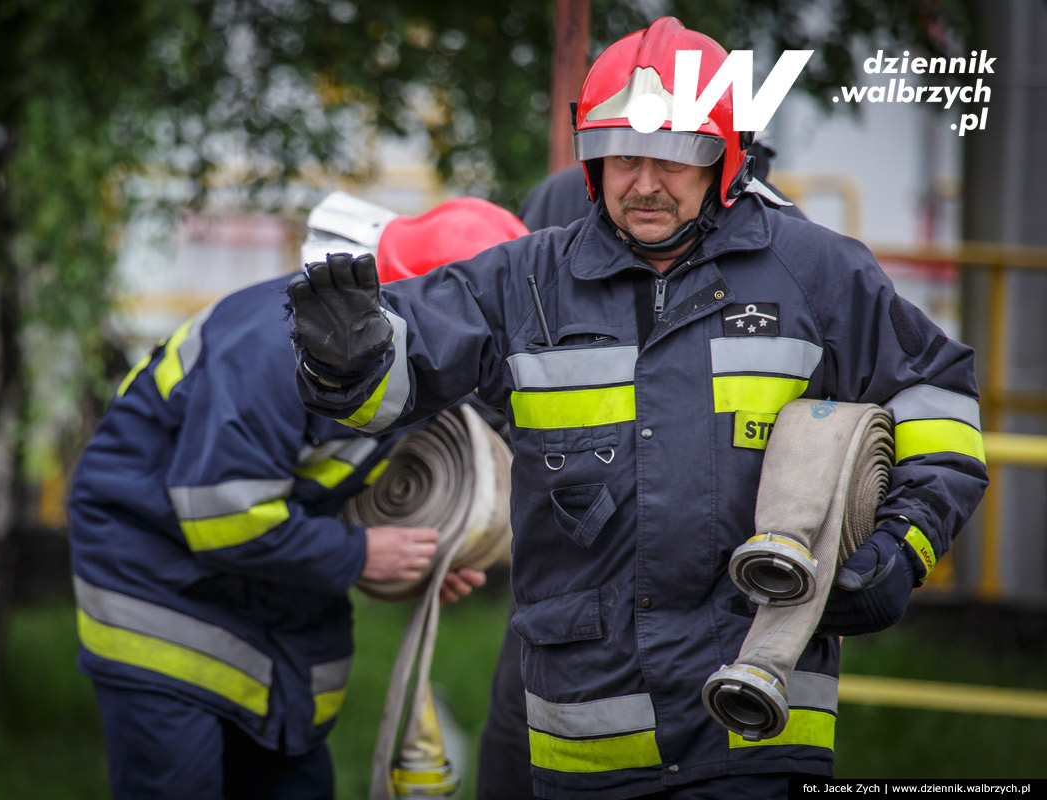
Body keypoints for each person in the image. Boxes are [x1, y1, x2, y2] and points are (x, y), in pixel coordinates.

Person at [287, 16, 988, 800]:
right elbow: (393, 385)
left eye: (674, 158)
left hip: (755, 729)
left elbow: (938, 399)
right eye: (623, 157)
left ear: (724, 158)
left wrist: (905, 545)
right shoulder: (524, 280)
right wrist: (347, 359)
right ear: (591, 159)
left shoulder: (815, 273)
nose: (645, 183)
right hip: (584, 740)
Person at [67, 196, 528, 800]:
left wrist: (419, 557)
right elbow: (222, 511)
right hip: (160, 598)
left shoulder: (408, 367)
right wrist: (361, 555)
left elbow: (325, 487)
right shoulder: (274, 348)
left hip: (275, 613)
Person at [478, 150, 806, 800]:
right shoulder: (561, 206)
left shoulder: (786, 234)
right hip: (583, 607)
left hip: (709, 619)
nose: (652, 182)